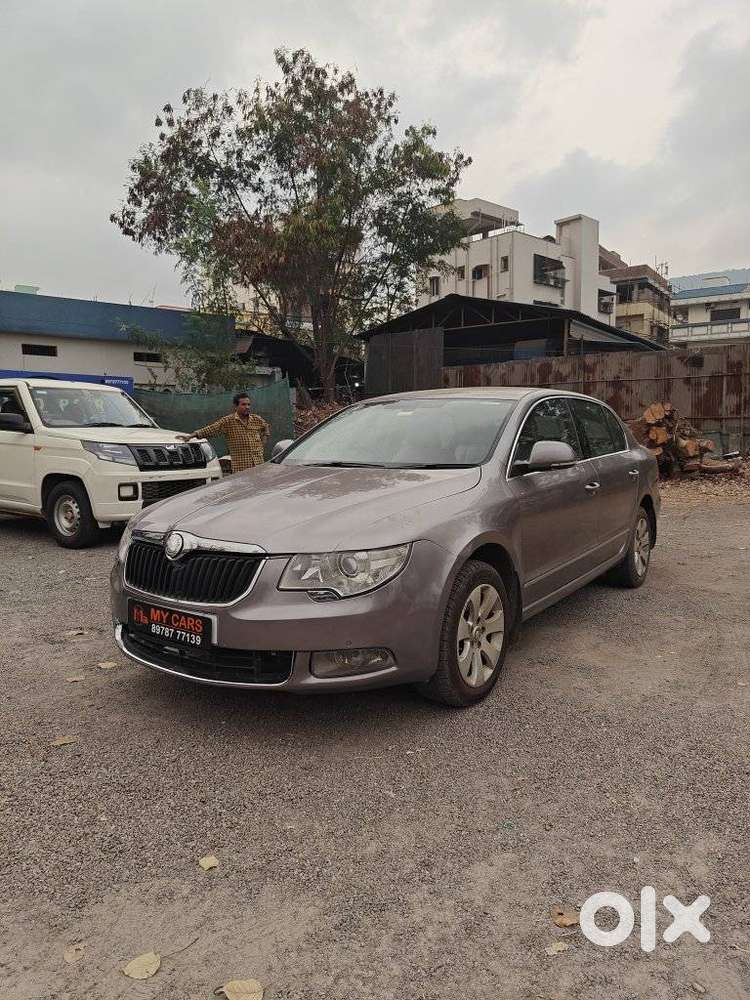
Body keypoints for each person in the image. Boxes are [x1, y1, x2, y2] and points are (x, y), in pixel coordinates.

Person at [178, 392, 270, 473]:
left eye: (249, 404)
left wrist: (263, 441)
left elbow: (265, 426)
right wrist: (191, 436)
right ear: (235, 406)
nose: (247, 407)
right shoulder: (228, 421)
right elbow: (211, 429)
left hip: (258, 466)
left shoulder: (256, 419)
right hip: (241, 469)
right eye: (244, 404)